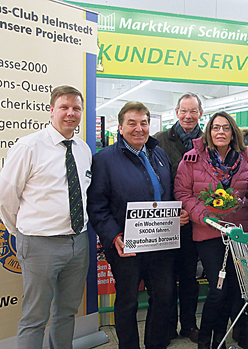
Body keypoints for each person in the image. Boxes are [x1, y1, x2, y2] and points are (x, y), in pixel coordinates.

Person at [0, 85, 92, 349]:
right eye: (64, 107)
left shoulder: (83, 149)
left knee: (67, 312)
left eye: (76, 108)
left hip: (78, 242)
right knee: (35, 317)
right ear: (51, 110)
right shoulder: (29, 146)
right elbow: (4, 198)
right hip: (39, 244)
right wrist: (22, 232)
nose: (70, 113)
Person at [87, 101, 188, 349]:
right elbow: (96, 205)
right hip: (125, 245)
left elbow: (168, 195)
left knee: (164, 297)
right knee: (128, 301)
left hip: (160, 242)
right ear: (120, 127)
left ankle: (156, 344)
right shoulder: (104, 160)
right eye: (131, 123)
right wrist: (113, 236)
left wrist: (177, 214)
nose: (139, 129)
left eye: (144, 123)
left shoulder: (159, 154)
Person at [175, 111, 248, 349]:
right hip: (209, 233)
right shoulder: (192, 159)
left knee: (234, 291)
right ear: (209, 132)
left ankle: (219, 341)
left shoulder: (246, 159)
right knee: (218, 290)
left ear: (233, 132)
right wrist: (203, 216)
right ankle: (205, 341)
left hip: (239, 233)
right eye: (215, 128)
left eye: (225, 128)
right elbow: (183, 193)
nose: (220, 132)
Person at [154, 92, 203, 343]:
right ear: (176, 113)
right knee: (165, 277)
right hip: (166, 221)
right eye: (184, 111)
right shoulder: (159, 141)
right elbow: (154, 181)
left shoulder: (207, 142)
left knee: (189, 276)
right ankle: (167, 326)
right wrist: (172, 211)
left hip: (195, 222)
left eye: (193, 111)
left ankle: (189, 324)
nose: (188, 116)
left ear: (200, 114)